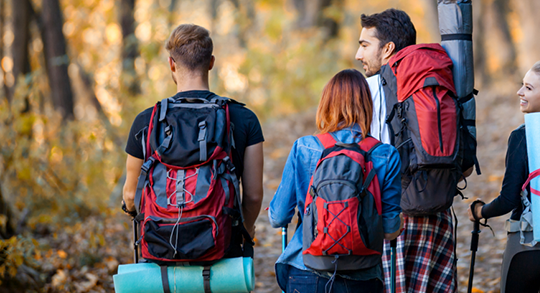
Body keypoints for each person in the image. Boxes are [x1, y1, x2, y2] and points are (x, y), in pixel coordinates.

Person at [121, 24, 264, 256]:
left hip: (160, 247)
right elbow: (254, 195)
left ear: (171, 64)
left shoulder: (146, 121)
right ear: (211, 62)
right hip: (221, 246)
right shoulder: (244, 118)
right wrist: (244, 231)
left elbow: (130, 195)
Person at [268, 69, 403, 293]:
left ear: (326, 104)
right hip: (363, 276)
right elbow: (389, 230)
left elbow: (279, 217)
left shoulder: (304, 147)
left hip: (306, 270)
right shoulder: (386, 155)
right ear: (368, 105)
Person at [355, 9, 459, 293]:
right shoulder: (438, 79)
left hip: (393, 214)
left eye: (365, 45)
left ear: (388, 49)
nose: (358, 54)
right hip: (439, 209)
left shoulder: (370, 89)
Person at [468, 61, 540, 293]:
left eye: (529, 88)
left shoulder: (522, 137)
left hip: (527, 250)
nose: (520, 92)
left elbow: (509, 200)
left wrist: (480, 211)